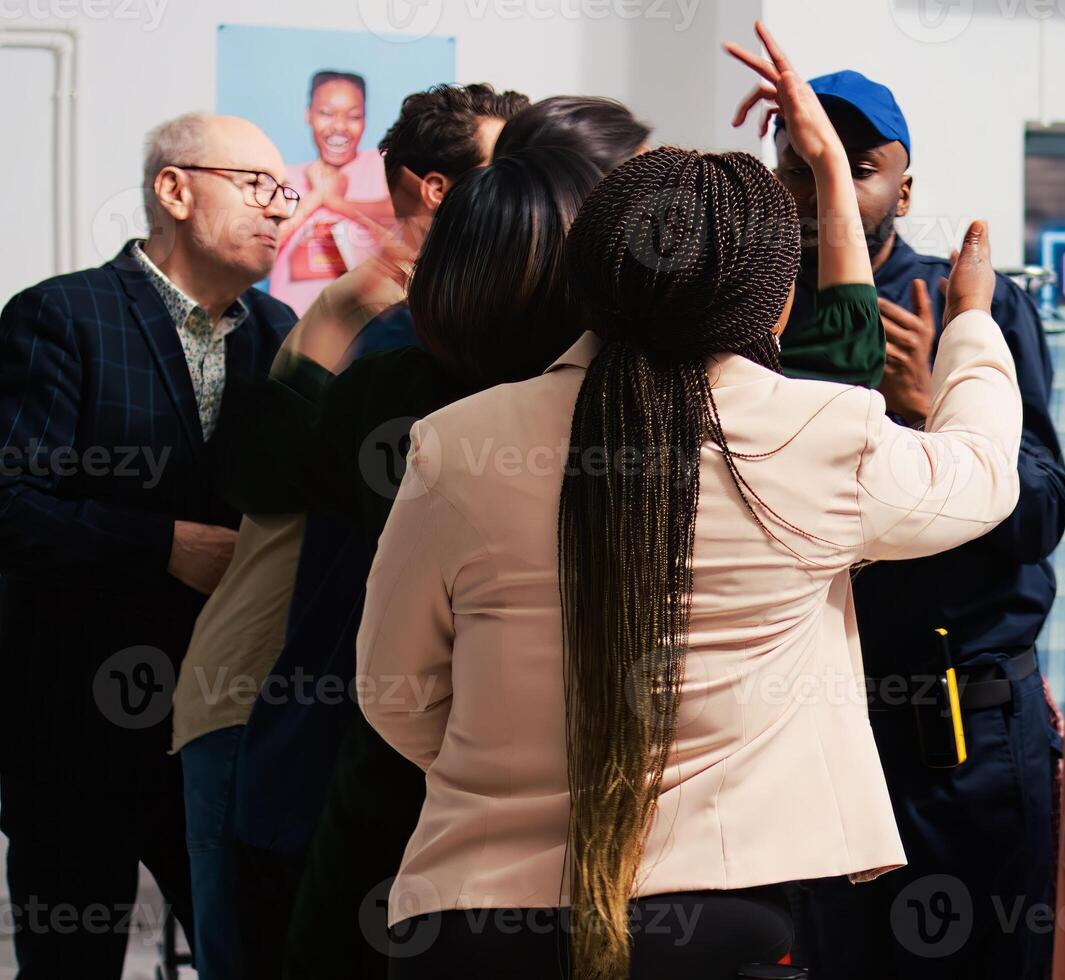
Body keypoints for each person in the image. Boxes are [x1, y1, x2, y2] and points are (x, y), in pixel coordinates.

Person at [357, 23, 1021, 978]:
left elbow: (395, 692)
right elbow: (985, 474)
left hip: (476, 926)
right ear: (774, 303)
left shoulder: (459, 444)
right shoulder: (825, 436)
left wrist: (511, 774)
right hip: (724, 921)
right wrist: (969, 330)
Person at [278, 96, 650, 980]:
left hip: (401, 812)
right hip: (573, 828)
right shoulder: (626, 409)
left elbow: (395, 689)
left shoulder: (396, 394)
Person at [173, 82, 527, 980]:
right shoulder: (369, 324)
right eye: (512, 170)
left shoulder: (446, 327)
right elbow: (264, 477)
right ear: (441, 192)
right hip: (261, 702)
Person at [768, 70, 1065, 979]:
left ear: (904, 189)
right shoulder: (757, 314)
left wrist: (938, 413)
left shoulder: (973, 305)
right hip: (817, 734)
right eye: (798, 161)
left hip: (967, 738)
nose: (819, 182)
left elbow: (1043, 512)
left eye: (856, 166)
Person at [0, 112, 297, 978]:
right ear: (175, 189)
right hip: (74, 727)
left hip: (223, 724)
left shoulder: (278, 331)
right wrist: (161, 546)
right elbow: (11, 503)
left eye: (284, 194)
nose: (279, 210)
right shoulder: (62, 316)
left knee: (245, 953)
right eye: (256, 186)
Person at [269, 70, 398, 314]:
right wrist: (315, 198)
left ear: (365, 120)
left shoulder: (381, 166)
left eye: (353, 116)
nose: (339, 127)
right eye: (326, 113)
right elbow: (262, 248)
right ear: (309, 114)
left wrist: (335, 201)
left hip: (366, 329)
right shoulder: (283, 176)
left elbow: (404, 230)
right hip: (289, 328)